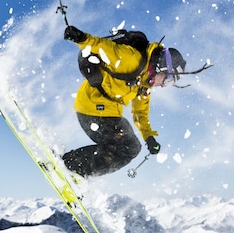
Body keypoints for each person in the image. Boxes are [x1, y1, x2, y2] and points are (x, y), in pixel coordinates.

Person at [59, 24, 192, 177]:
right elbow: (102, 47)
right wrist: (81, 38)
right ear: (161, 67)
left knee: (130, 147)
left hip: (107, 112)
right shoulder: (131, 59)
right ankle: (71, 166)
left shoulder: (145, 85)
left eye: (169, 83)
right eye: (167, 80)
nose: (163, 85)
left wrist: (148, 137)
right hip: (91, 107)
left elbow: (140, 113)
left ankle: (76, 167)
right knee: (128, 147)